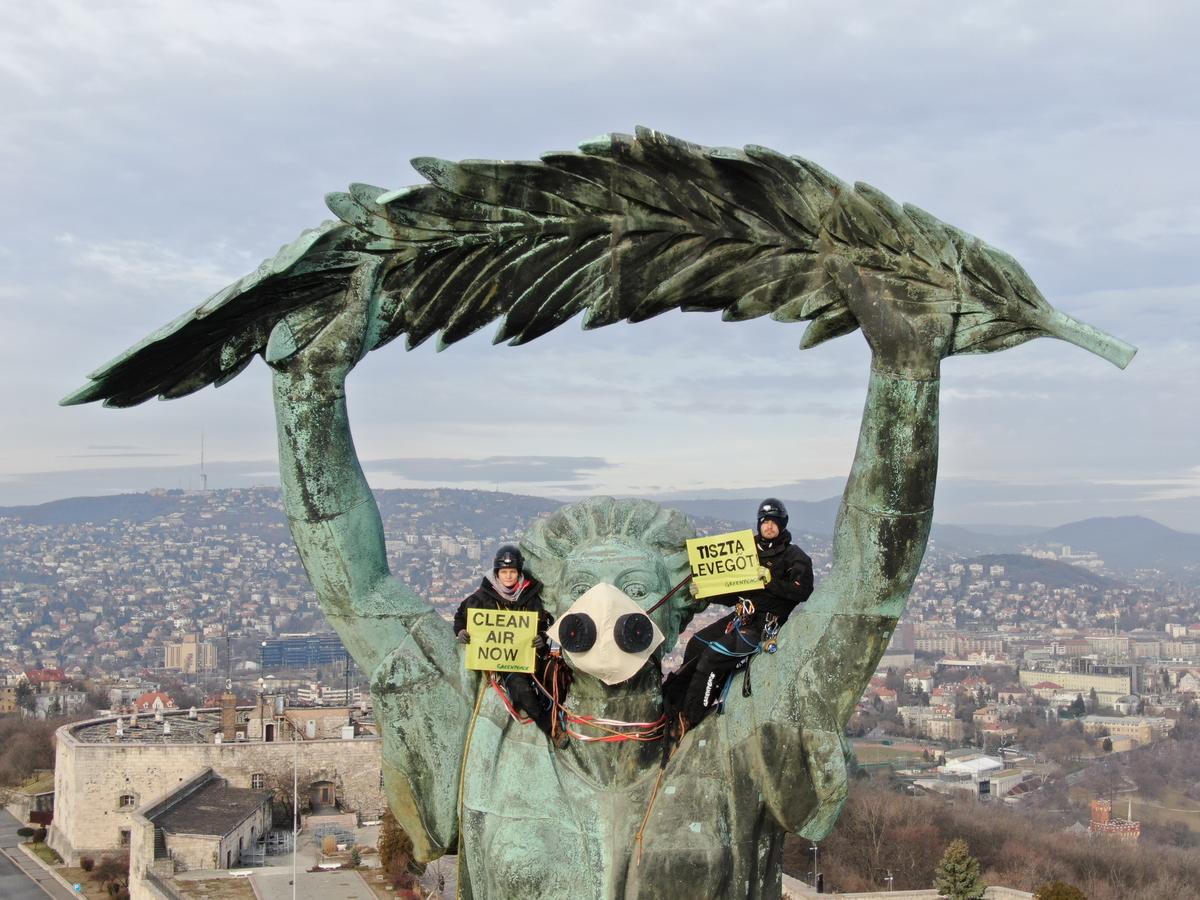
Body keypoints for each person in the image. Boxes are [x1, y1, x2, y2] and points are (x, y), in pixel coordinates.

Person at [667, 498, 814, 731]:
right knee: (696, 644)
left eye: (774, 522)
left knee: (714, 656)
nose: (769, 526)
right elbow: (734, 591)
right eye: (765, 521)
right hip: (742, 616)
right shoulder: (748, 551)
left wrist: (770, 581)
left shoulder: (794, 556)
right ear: (759, 524)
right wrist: (705, 593)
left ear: (782, 524)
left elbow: (802, 591)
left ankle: (690, 718)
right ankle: (671, 707)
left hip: (765, 625)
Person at [453, 544, 559, 739]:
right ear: (497, 573)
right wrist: (461, 631)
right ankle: (551, 729)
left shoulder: (532, 598)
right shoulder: (481, 598)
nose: (508, 576)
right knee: (522, 689)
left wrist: (542, 638)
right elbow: (461, 616)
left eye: (512, 571)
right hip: (504, 665)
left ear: (519, 573)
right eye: (504, 572)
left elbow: (545, 624)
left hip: (532, 658)